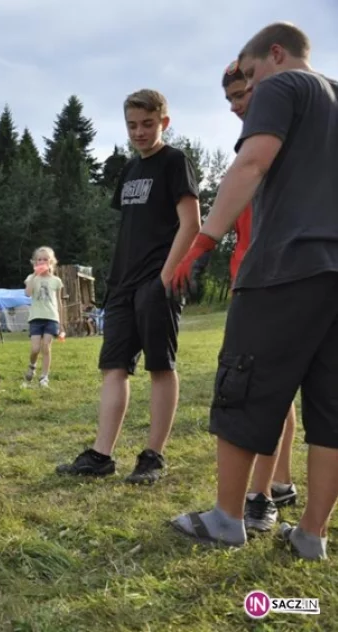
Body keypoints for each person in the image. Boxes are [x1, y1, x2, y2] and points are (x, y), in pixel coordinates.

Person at [169, 22, 338, 560]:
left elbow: (253, 161)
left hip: (286, 266)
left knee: (242, 383)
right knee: (331, 409)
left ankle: (226, 517)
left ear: (276, 53)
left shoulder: (284, 85)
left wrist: (203, 241)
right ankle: (311, 534)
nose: (248, 86)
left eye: (249, 73)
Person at [57, 89, 201, 484]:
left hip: (157, 280)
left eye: (148, 124)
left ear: (164, 123)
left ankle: (153, 457)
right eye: (132, 125)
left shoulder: (175, 162)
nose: (139, 132)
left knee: (160, 366)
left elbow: (192, 223)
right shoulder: (130, 170)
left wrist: (165, 277)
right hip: (121, 283)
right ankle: (101, 456)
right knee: (114, 366)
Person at [192, 60, 299, 533]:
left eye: (243, 95)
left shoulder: (284, 150)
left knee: (267, 390)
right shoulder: (245, 157)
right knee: (267, 388)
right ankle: (279, 482)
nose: (237, 106)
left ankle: (261, 495)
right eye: (231, 99)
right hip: (247, 285)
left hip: (282, 282)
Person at [23, 246, 64, 388]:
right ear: (35, 262)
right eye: (39, 259)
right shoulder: (31, 278)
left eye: (45, 259)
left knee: (46, 347)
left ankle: (44, 377)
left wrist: (61, 323)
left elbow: (59, 302)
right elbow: (27, 293)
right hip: (35, 317)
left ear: (51, 262)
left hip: (51, 317)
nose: (42, 262)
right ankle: (32, 366)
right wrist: (35, 275)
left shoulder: (56, 281)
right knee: (35, 349)